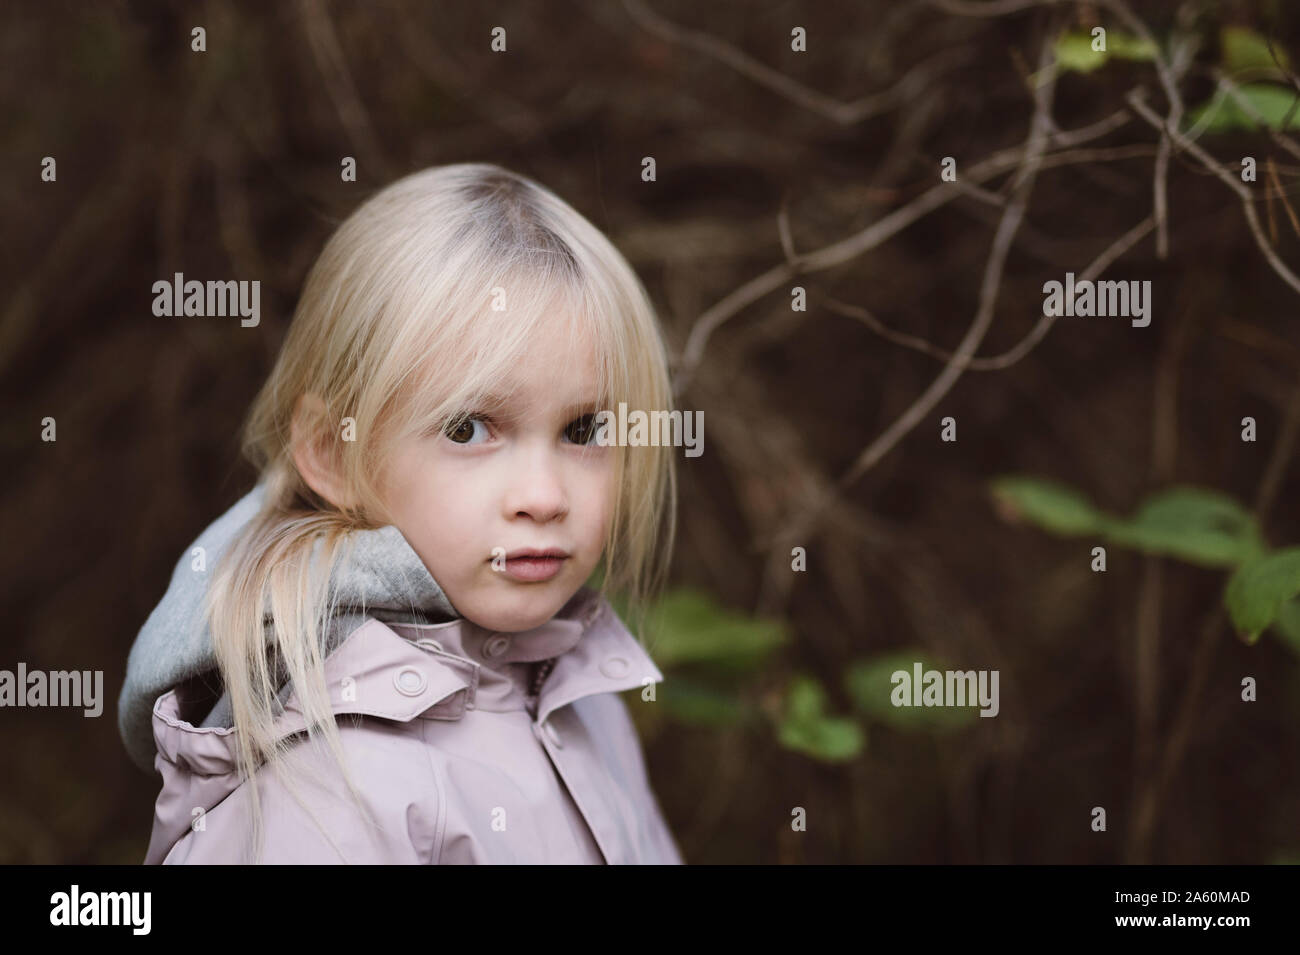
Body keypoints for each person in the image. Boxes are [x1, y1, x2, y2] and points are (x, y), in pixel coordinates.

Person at [116, 163, 683, 864]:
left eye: (584, 431)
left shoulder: (580, 696)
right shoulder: (325, 788)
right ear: (332, 451)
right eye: (469, 428)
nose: (544, 496)